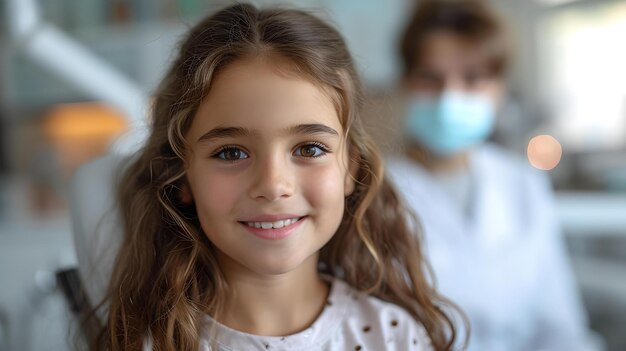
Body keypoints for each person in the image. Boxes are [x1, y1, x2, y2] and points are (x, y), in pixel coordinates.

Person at [87, 3, 466, 350]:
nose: (272, 185)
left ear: (352, 167)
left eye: (309, 149)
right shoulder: (150, 344)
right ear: (182, 175)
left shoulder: (395, 337)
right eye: (231, 152)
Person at [386, 0, 597, 350]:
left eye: (473, 79)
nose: (450, 97)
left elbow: (561, 327)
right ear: (406, 83)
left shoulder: (523, 184)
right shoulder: (373, 191)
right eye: (431, 78)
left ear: (498, 89)